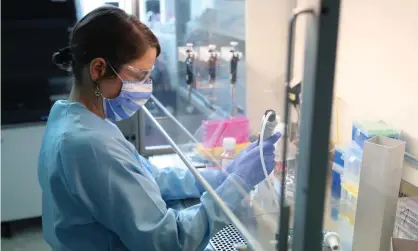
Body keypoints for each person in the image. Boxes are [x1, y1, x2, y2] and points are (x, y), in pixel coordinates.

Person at [38, 6, 280, 251]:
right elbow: (169, 241)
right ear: (98, 69)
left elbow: (145, 176)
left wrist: (217, 178)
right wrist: (236, 185)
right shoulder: (88, 144)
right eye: (140, 76)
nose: (147, 86)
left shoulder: (75, 118)